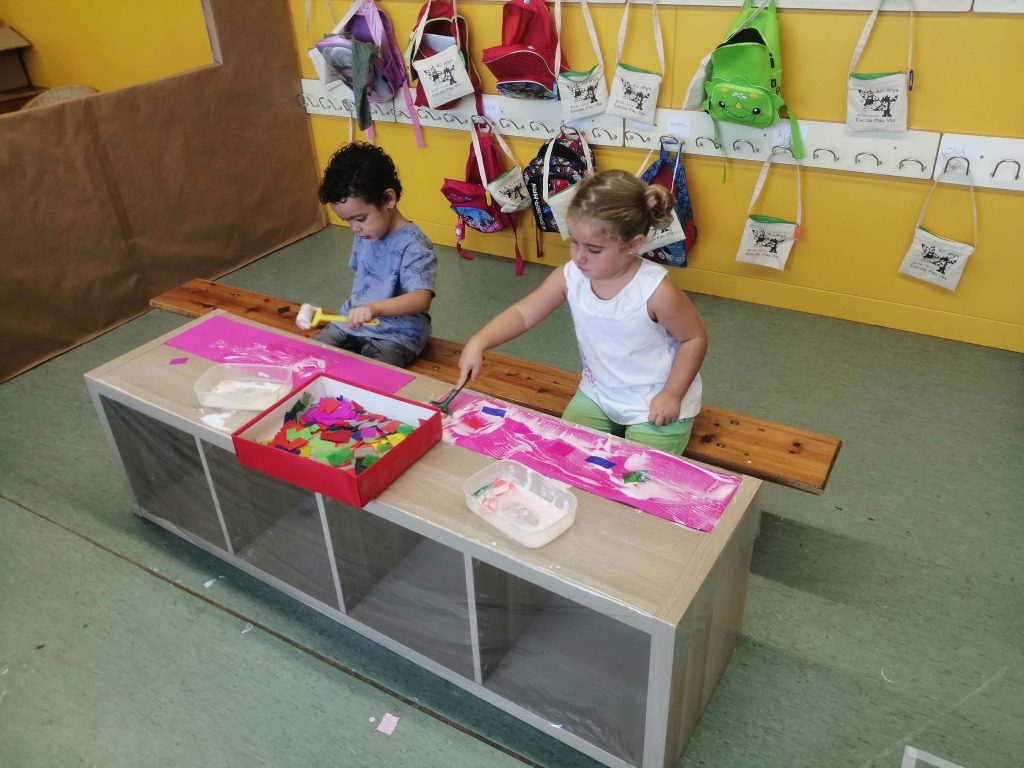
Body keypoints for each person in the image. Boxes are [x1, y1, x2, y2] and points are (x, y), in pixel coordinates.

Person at [457, 169, 707, 455]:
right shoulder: (571, 275)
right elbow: (524, 313)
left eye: (594, 249)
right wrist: (479, 341)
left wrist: (672, 394)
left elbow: (694, 339)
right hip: (598, 394)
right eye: (574, 242)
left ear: (633, 244)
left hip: (655, 401)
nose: (579, 256)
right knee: (563, 456)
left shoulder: (656, 291)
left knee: (636, 473)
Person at [315, 142, 437, 368]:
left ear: (388, 199)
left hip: (397, 334)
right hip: (352, 322)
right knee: (311, 358)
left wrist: (375, 309)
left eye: (360, 218)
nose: (355, 228)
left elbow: (421, 299)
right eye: (347, 221)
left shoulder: (414, 245)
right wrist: (362, 311)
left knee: (371, 377)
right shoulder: (365, 233)